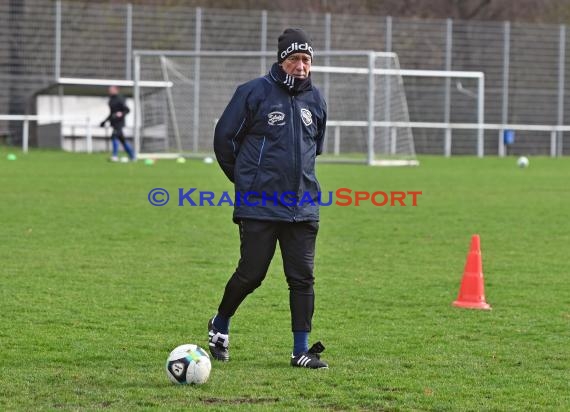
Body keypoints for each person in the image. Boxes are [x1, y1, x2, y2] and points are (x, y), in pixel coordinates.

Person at [210, 28, 328, 369]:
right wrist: (247, 181)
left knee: (302, 278)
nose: (302, 66)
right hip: (259, 204)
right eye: (295, 59)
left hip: (303, 205)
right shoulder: (253, 93)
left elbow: (314, 147)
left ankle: (300, 351)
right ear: (281, 60)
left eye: (307, 60)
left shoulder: (316, 100)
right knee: (251, 274)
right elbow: (224, 140)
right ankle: (220, 326)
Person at [100, 85, 135, 162]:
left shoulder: (120, 99)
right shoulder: (111, 100)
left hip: (119, 123)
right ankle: (132, 156)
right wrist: (104, 121)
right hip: (114, 122)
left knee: (114, 137)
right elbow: (111, 113)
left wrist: (121, 114)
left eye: (111, 90)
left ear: (116, 90)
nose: (109, 91)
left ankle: (115, 156)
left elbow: (127, 110)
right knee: (122, 140)